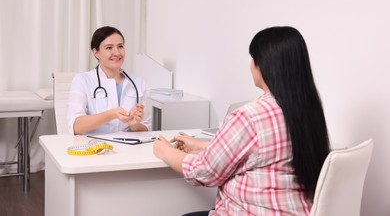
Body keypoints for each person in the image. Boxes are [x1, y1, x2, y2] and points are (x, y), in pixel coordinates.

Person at [153, 26, 330, 215]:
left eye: (253, 58)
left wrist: (165, 151)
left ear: (265, 65)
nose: (251, 65)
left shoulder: (250, 116)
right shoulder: (307, 110)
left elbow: (204, 171)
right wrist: (201, 145)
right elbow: (264, 153)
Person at [67, 26, 151, 135]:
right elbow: (76, 126)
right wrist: (111, 114)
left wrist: (134, 125)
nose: (117, 53)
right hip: (95, 147)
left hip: (129, 148)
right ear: (96, 52)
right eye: (109, 48)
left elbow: (147, 128)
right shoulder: (82, 80)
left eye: (120, 46)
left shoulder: (138, 83)